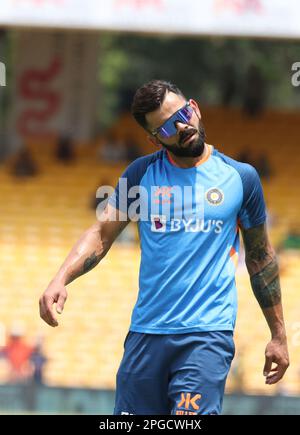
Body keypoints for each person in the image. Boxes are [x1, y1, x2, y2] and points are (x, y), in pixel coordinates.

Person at [39, 80, 289, 415]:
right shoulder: (141, 175)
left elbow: (260, 258)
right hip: (146, 334)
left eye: (184, 113)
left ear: (195, 107)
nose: (183, 126)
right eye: (168, 126)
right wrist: (60, 279)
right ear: (154, 139)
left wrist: (278, 335)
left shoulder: (241, 178)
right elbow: (102, 233)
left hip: (206, 335)